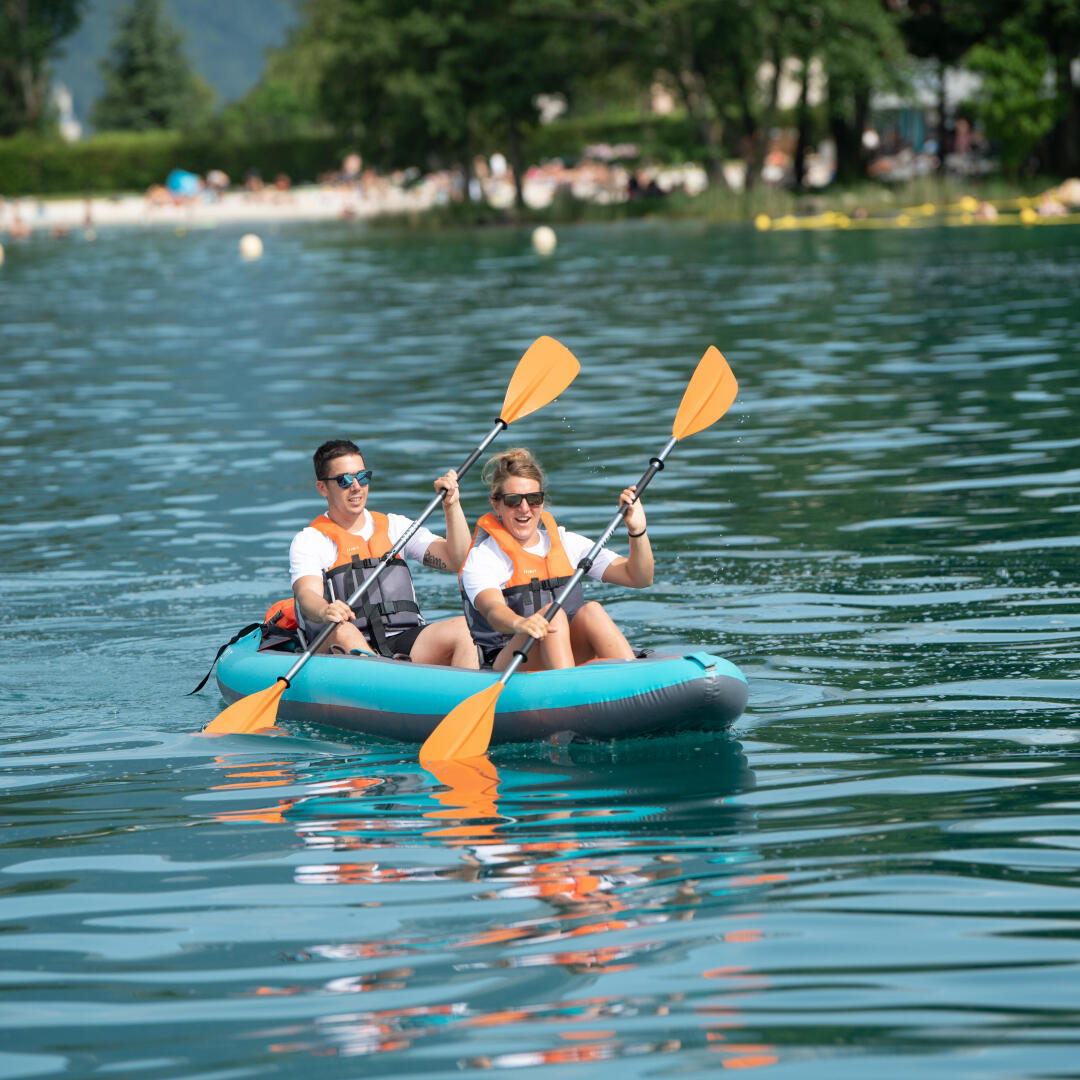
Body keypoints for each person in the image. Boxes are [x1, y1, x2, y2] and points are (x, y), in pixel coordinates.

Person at [459, 448, 653, 671]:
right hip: (508, 663)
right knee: (553, 616)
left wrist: (637, 531)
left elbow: (639, 577)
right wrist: (522, 623)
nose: (524, 508)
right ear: (497, 505)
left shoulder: (568, 543)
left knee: (592, 611)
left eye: (533, 499)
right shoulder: (484, 557)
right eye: (513, 500)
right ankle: (569, 693)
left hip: (565, 652)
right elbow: (493, 611)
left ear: (542, 502)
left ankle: (632, 680)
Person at [290, 439, 479, 668]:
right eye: (345, 480)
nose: (356, 486)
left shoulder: (395, 527)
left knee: (463, 629)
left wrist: (452, 506)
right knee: (343, 631)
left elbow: (456, 560)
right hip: (344, 640)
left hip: (403, 639)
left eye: (362, 477)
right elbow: (307, 595)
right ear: (322, 488)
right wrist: (325, 609)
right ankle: (383, 680)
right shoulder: (310, 540)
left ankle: (466, 700)